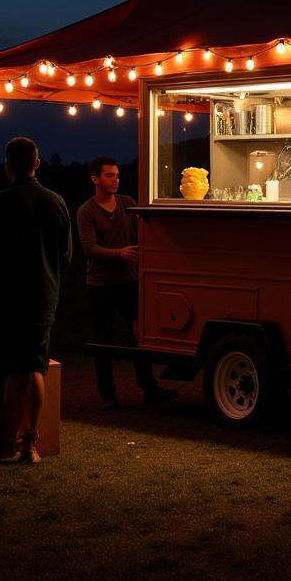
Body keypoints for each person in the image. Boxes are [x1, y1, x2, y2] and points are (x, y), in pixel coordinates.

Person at [0, 137, 72, 463]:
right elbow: (65, 256)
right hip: (42, 296)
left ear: (8, 166)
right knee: (35, 366)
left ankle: (9, 441)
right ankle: (32, 443)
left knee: (7, 369)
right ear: (37, 163)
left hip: (5, 297)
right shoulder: (56, 201)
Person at [77, 156, 176, 409]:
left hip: (128, 280)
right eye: (109, 176)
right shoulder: (86, 211)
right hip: (100, 284)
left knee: (139, 333)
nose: (115, 180)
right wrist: (119, 253)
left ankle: (149, 387)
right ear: (95, 179)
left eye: (117, 175)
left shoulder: (127, 203)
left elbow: (144, 232)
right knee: (103, 339)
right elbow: (90, 249)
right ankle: (107, 394)